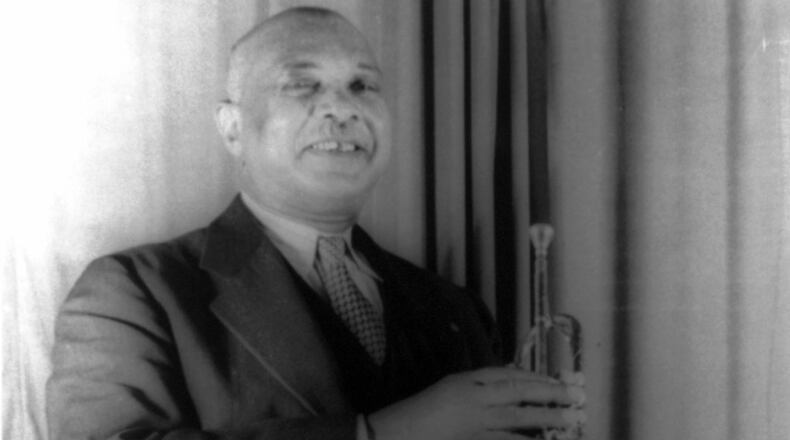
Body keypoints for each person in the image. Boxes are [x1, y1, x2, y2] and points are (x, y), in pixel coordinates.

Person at [47, 7, 585, 440]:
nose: (341, 108)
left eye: (362, 86)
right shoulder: (132, 290)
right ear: (234, 129)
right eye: (301, 86)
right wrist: (383, 433)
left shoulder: (456, 310)